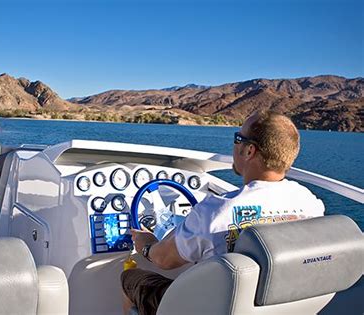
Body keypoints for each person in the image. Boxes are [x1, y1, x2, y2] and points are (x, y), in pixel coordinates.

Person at [121, 110, 325, 315]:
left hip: (210, 308)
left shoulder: (216, 210)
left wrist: (146, 244)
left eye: (238, 138)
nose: (234, 144)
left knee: (130, 278)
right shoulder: (312, 204)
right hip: (281, 306)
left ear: (249, 151)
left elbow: (164, 260)